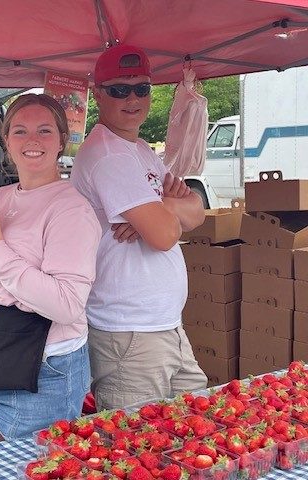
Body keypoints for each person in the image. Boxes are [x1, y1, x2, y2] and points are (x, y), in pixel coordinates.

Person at [0, 93, 101, 449]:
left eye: (45, 130)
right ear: (6, 140)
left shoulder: (71, 210)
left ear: (62, 140)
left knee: (28, 468)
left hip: (43, 363)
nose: (32, 140)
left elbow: (65, 306)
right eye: (20, 131)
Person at [70, 44, 208, 410]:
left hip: (163, 327)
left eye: (141, 89)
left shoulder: (140, 148)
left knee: (195, 434)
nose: (132, 98)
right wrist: (162, 216)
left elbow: (198, 212)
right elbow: (164, 236)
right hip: (128, 333)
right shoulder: (108, 154)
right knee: (133, 453)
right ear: (98, 94)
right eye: (118, 90)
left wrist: (160, 208)